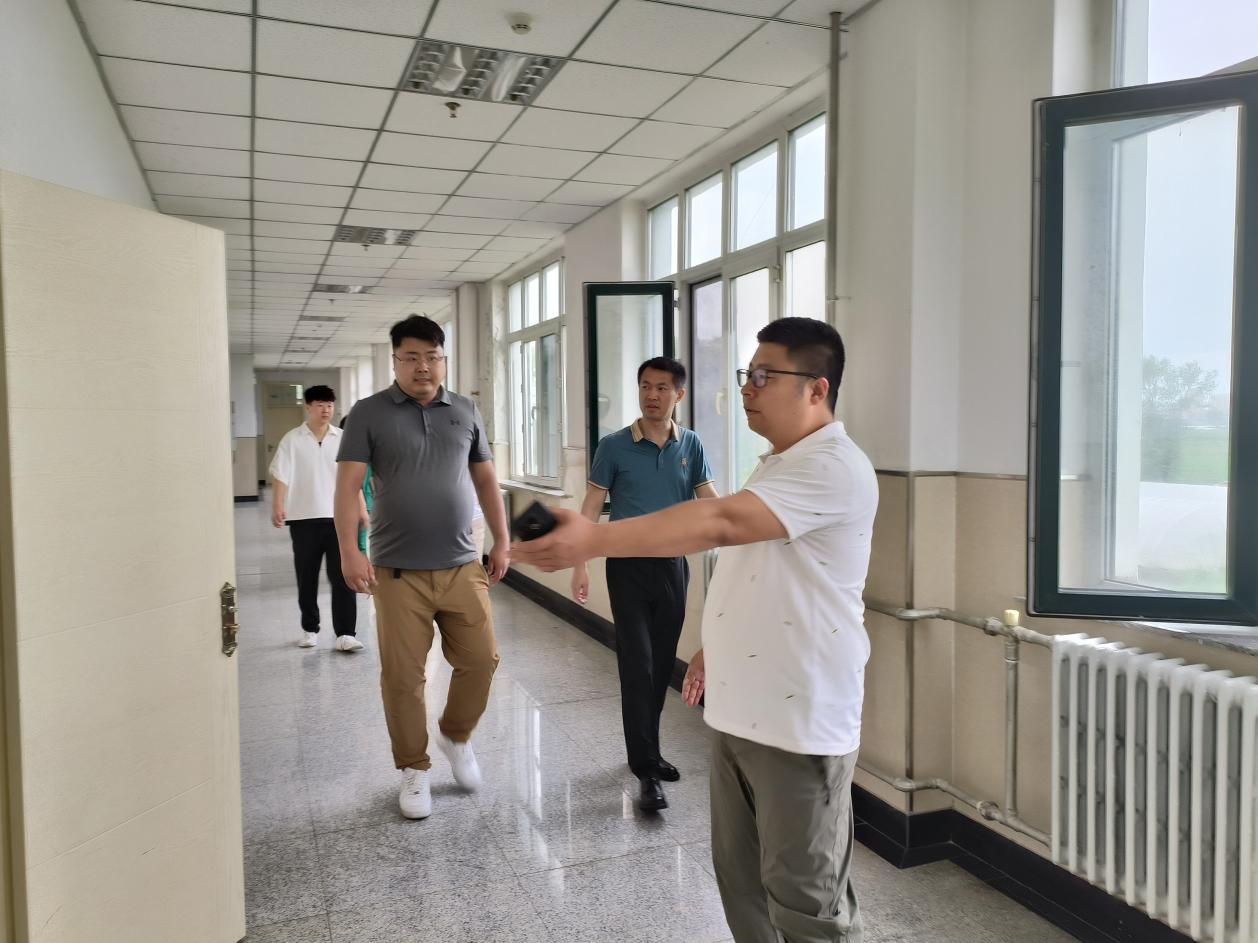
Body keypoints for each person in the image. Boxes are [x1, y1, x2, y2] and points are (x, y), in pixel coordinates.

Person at [514, 318, 876, 943]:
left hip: (798, 724)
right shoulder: (778, 464)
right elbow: (759, 565)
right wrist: (717, 646)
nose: (747, 388)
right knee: (742, 885)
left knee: (807, 905)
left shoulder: (833, 466)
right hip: (742, 713)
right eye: (746, 375)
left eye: (763, 376)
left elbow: (720, 523)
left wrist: (593, 539)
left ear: (817, 389)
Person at [334, 314, 510, 821]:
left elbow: (486, 480)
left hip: (461, 564)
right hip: (397, 572)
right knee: (403, 677)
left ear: (444, 360)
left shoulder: (466, 410)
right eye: (411, 357)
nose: (423, 367)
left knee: (482, 661)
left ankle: (456, 735)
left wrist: (503, 540)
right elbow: (347, 487)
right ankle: (414, 767)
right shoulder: (369, 413)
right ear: (395, 361)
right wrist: (350, 550)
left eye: (432, 357)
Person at [572, 357, 717, 812]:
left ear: (679, 394)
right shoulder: (614, 446)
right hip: (627, 568)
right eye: (645, 386)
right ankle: (646, 771)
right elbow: (591, 506)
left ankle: (648, 750)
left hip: (673, 568)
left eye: (662, 388)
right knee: (637, 666)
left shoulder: (691, 445)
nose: (651, 395)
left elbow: (712, 504)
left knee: (659, 668)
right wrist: (579, 563)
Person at [270, 385, 365, 653]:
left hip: (339, 518)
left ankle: (345, 633)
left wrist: (362, 509)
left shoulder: (343, 438)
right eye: (320, 405)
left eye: (330, 405)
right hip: (303, 518)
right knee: (307, 576)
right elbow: (281, 475)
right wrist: (277, 504)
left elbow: (353, 479)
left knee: (343, 576)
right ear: (308, 407)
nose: (326, 410)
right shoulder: (292, 439)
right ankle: (310, 629)